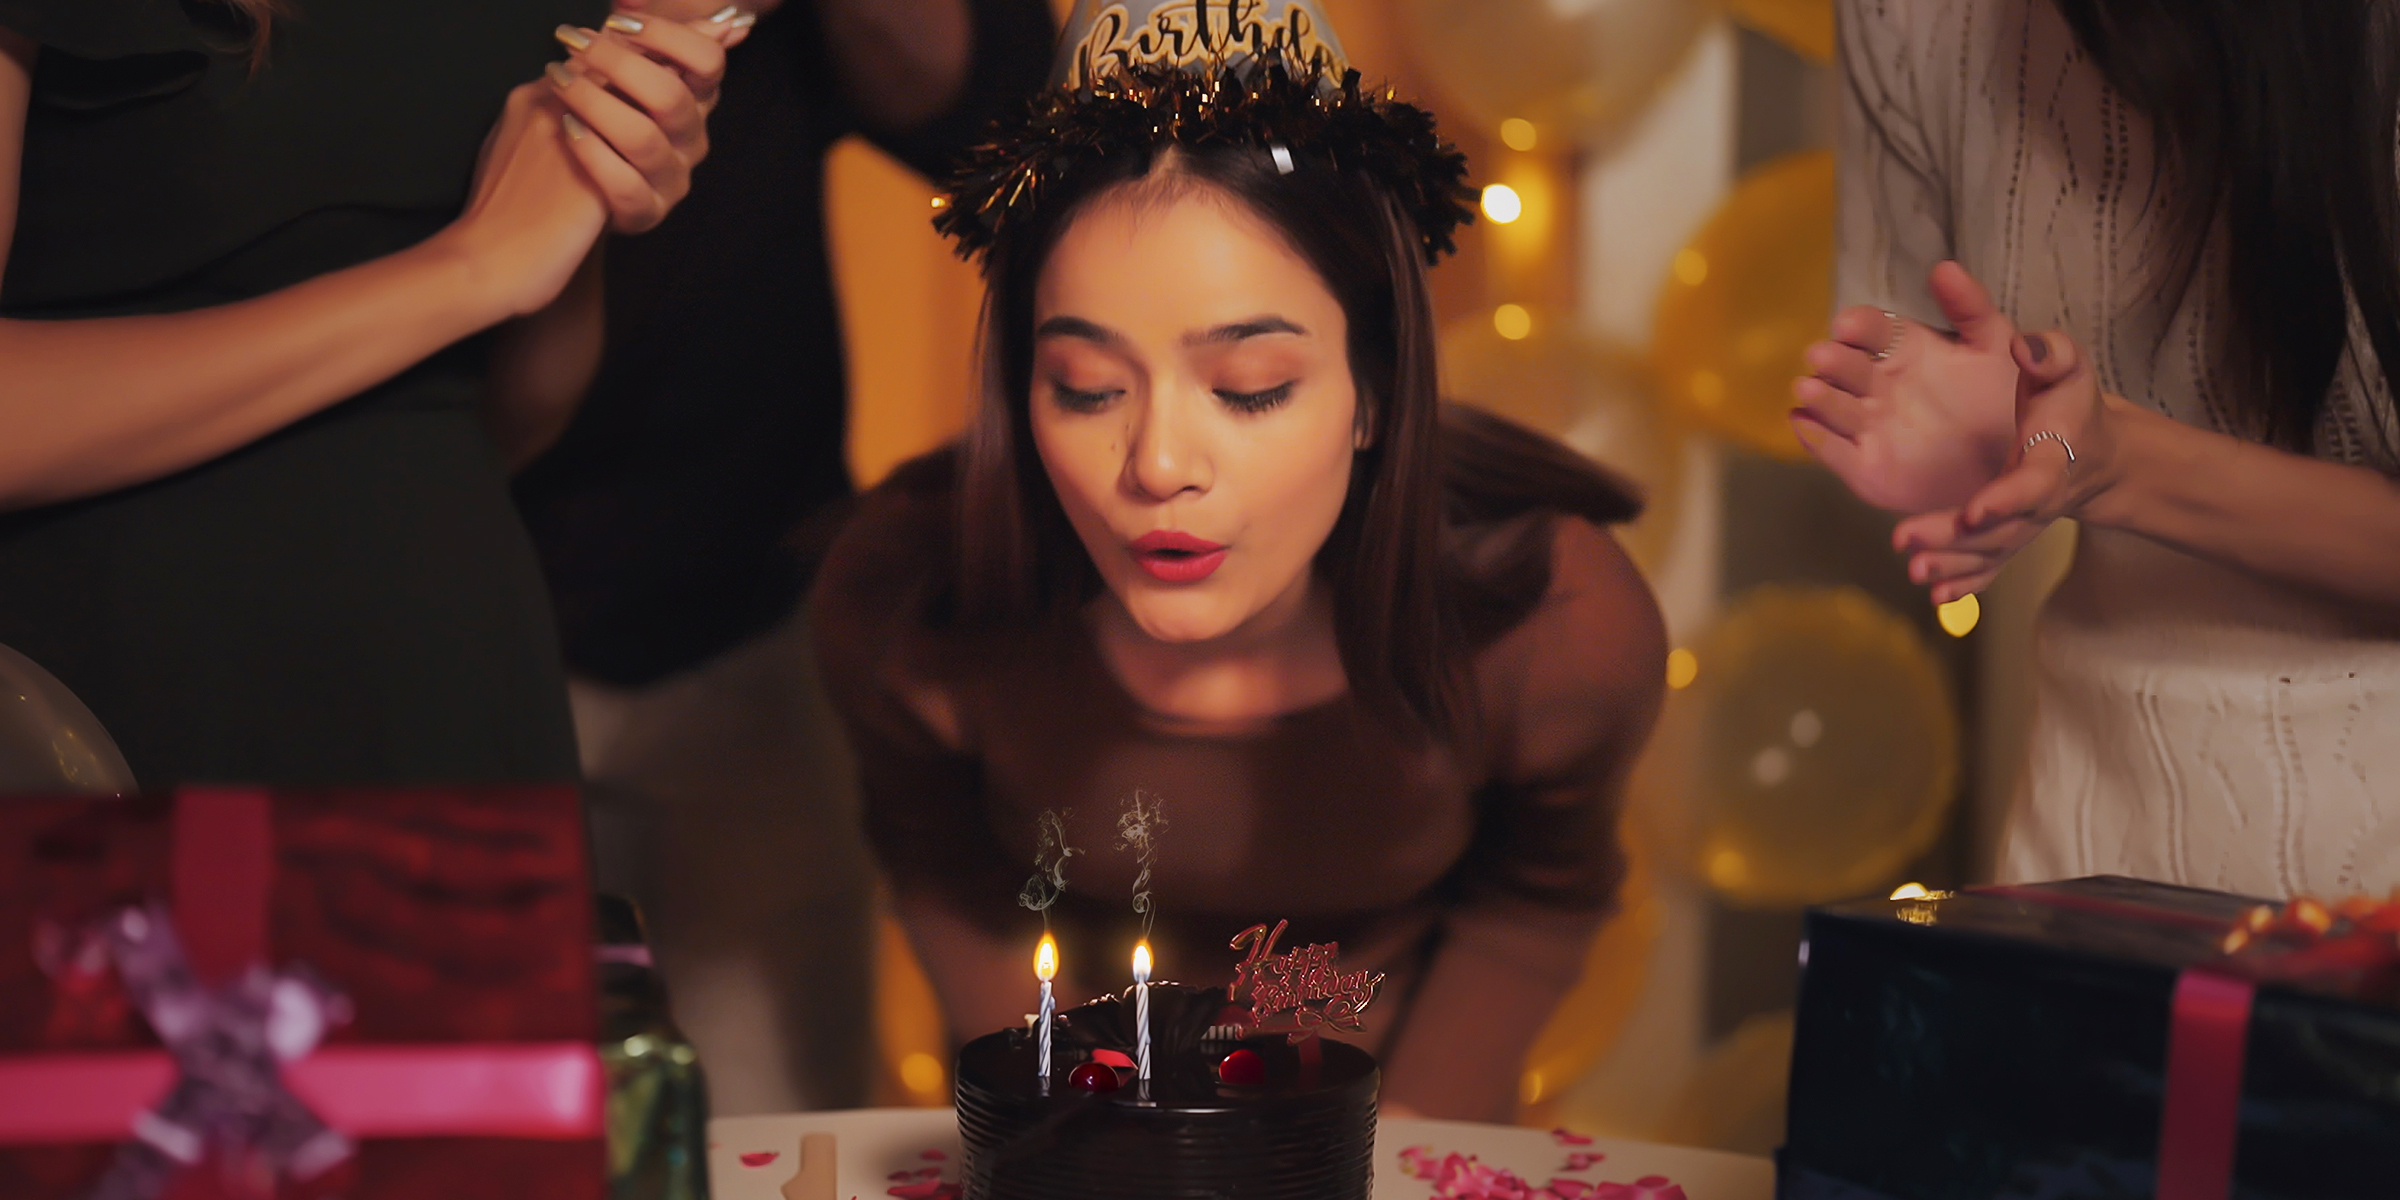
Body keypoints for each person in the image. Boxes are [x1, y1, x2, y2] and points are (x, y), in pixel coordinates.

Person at [810, 2, 1669, 1123]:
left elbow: (1538, 899)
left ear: (1374, 390)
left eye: (1251, 384)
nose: (1159, 463)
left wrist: (1408, 1147)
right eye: (1087, 389)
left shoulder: (1554, 620)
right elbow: (948, 884)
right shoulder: (907, 599)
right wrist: (1066, 1135)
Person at [510, 0, 1053, 1112]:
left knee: (784, 1120)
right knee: (464, 1130)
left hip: (746, 594)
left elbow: (1002, 127)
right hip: (430, 618)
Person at [0, 0, 731, 787]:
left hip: (451, 672)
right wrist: (471, 270)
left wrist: (597, 175)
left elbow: (516, 406)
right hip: (115, 697)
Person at [1795, 0, 2400, 897]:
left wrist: (2119, 463)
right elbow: (1979, 393)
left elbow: (2099, 450)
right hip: (2091, 829)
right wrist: (1984, 444)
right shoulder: (1907, 17)